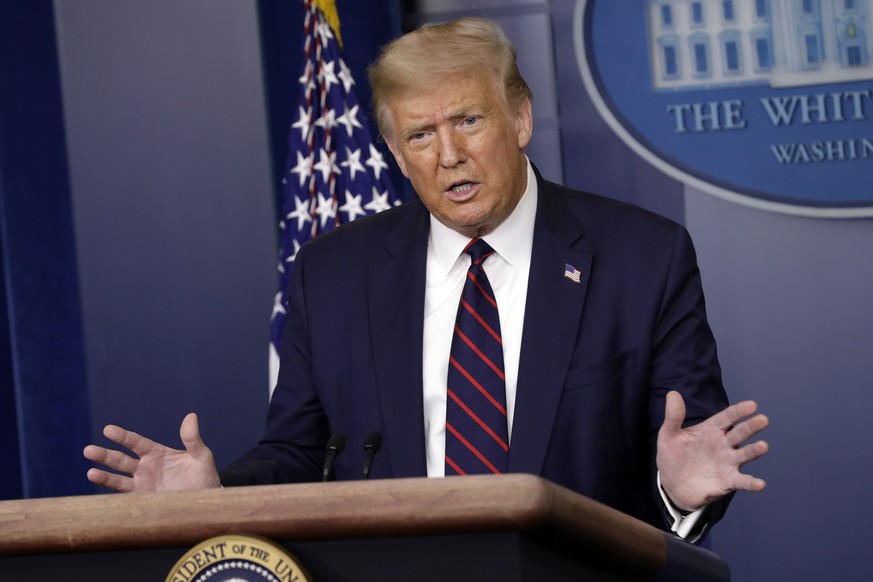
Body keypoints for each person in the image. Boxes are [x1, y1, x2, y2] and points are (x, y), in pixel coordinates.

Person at [84, 17, 768, 541]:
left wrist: (678, 491)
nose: (449, 156)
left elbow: (686, 451)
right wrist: (218, 495)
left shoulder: (641, 257)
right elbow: (299, 455)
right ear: (394, 151)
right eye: (420, 135)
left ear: (520, 117)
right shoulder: (333, 274)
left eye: (468, 121)